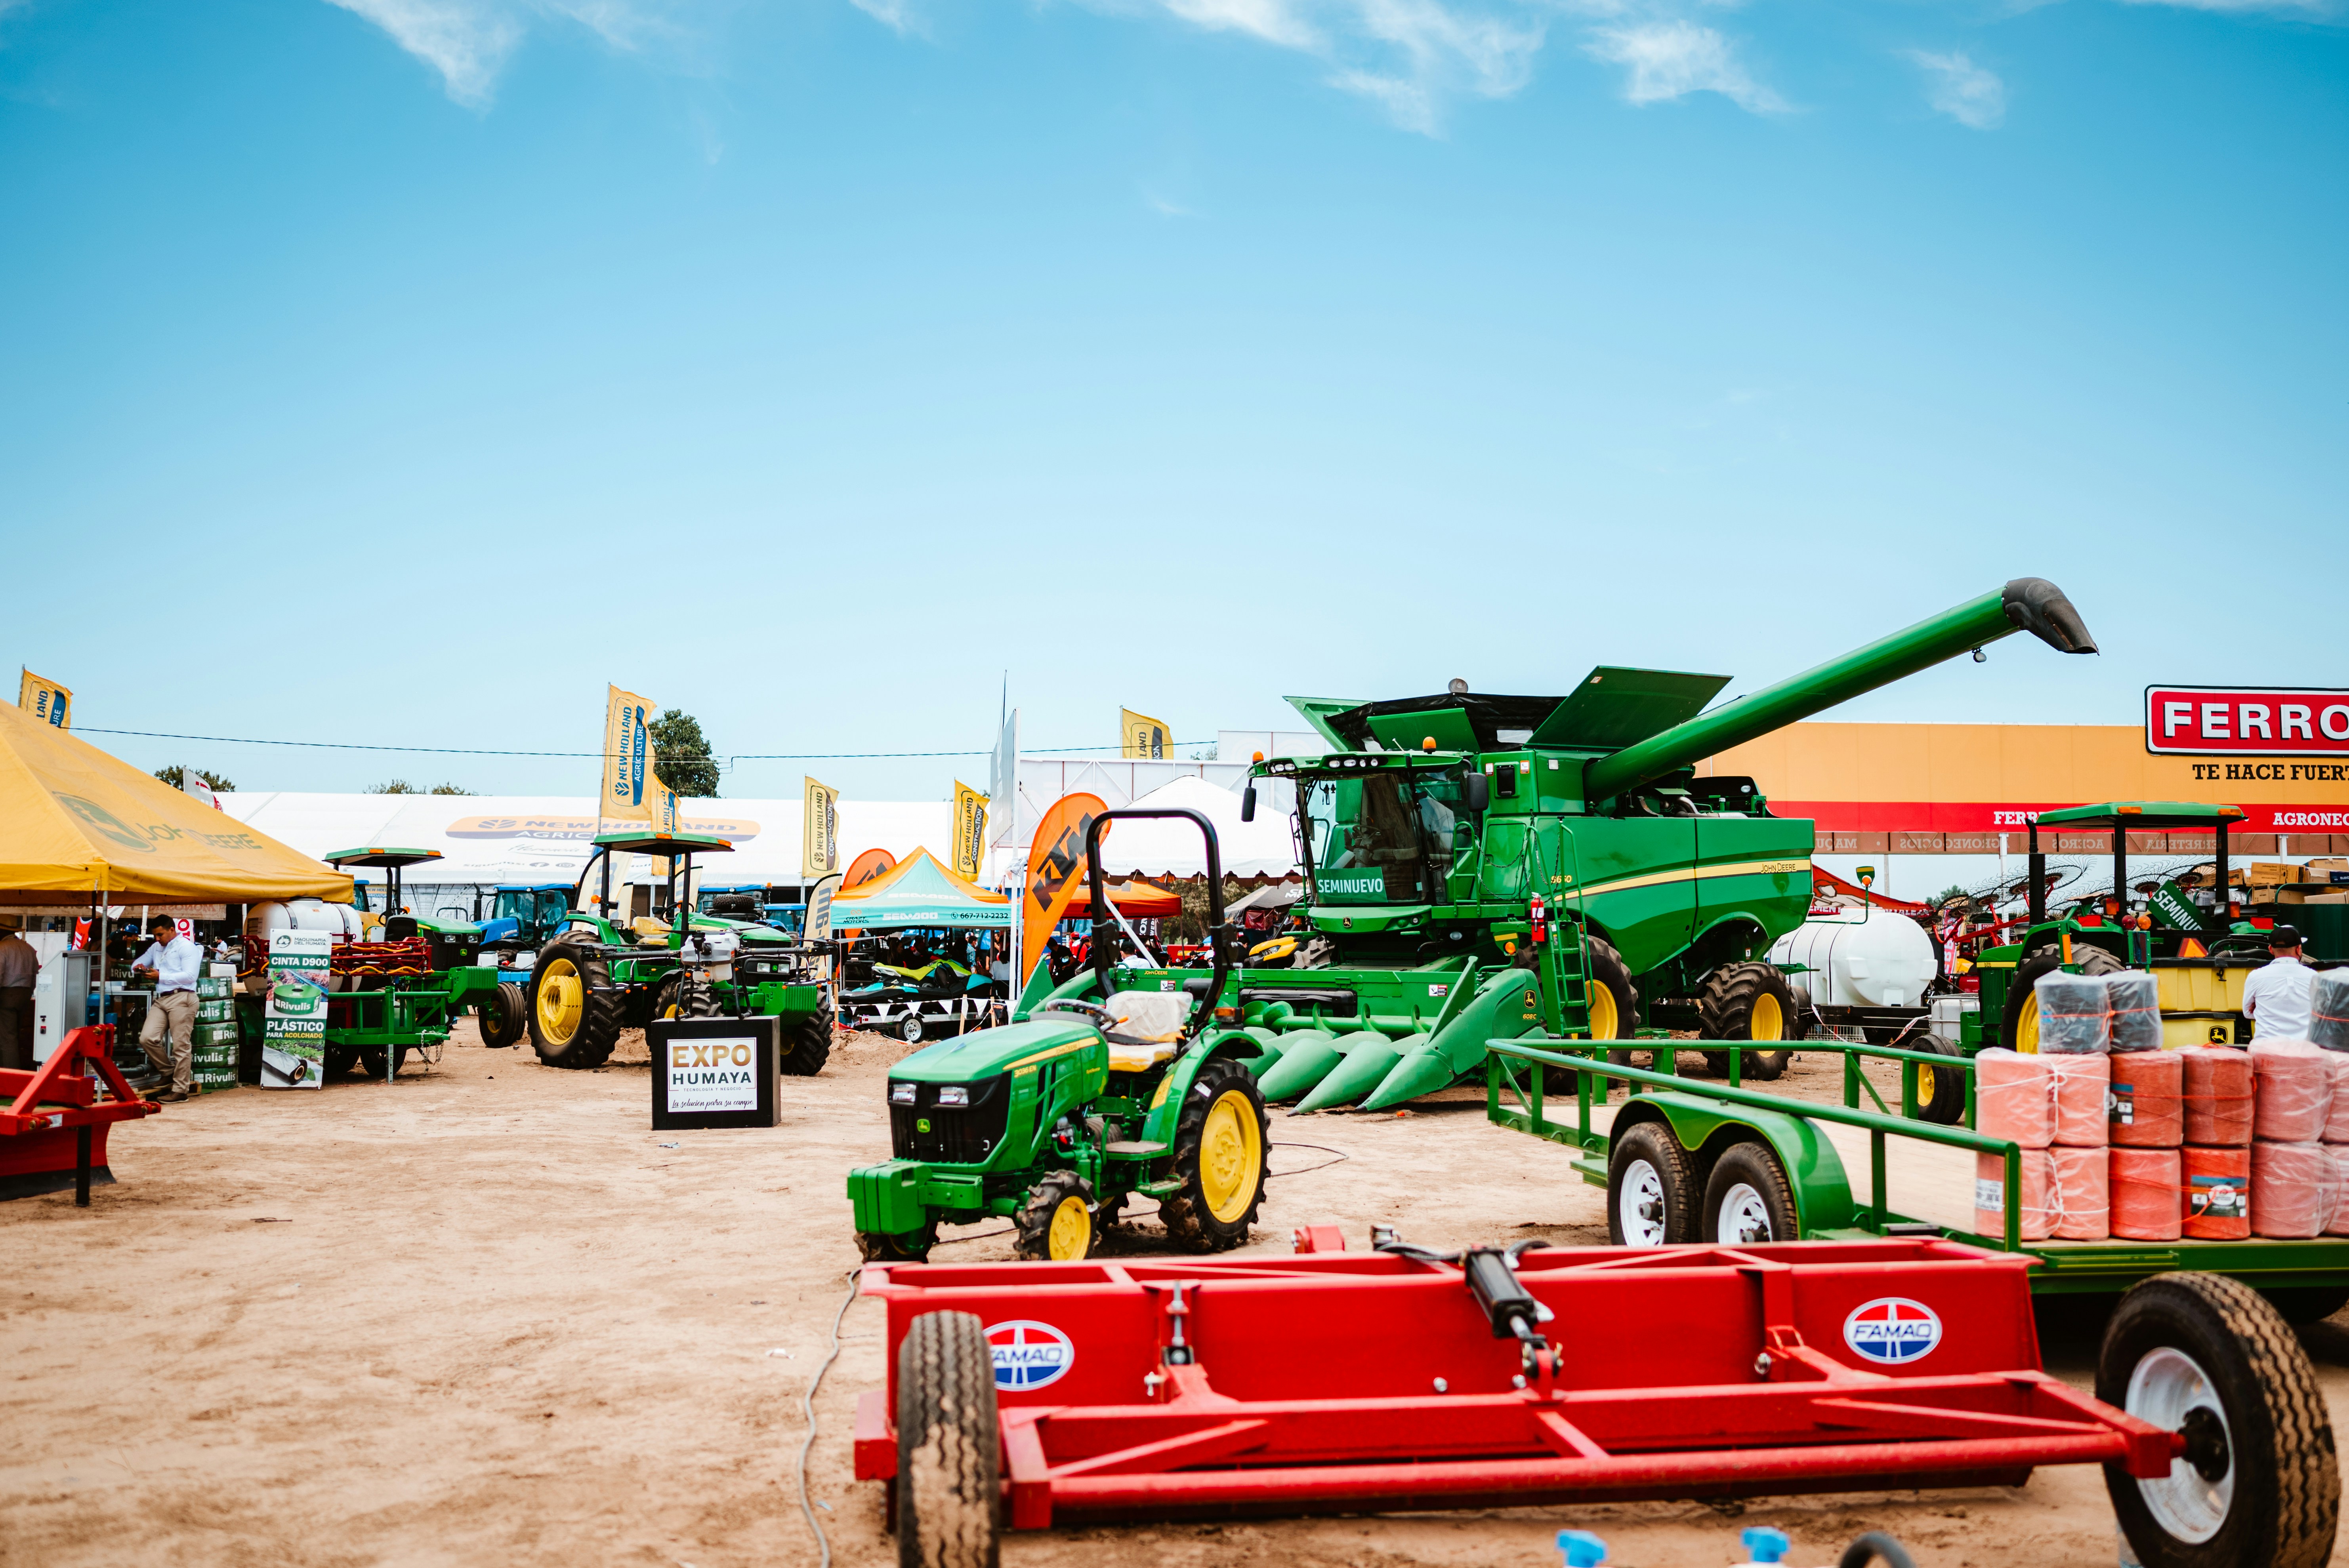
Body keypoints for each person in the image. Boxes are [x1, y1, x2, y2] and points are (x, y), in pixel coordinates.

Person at [131, 913, 202, 1102]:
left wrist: (160, 976)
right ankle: (168, 1072)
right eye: (155, 935)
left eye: (160, 934)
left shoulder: (187, 947)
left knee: (181, 1046)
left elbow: (190, 976)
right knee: (147, 1038)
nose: (157, 939)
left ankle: (181, 1090)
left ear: (172, 930)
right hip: (163, 998)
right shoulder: (156, 947)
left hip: (182, 997)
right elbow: (137, 963)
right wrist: (139, 968)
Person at [2244, 924, 2317, 1042]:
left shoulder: (2255, 976)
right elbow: (2320, 1013)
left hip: (2266, 1049)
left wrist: (2264, 1009)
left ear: (2271, 949)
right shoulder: (2314, 977)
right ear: (2298, 949)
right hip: (2304, 1050)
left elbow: (2248, 1013)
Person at [0, 915, 38, 1072]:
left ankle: (11, 1075)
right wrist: (29, 992)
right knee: (14, 1035)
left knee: (7, 1038)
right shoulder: (27, 947)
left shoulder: (2, 948)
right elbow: (36, 973)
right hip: (24, 995)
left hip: (6, 995)